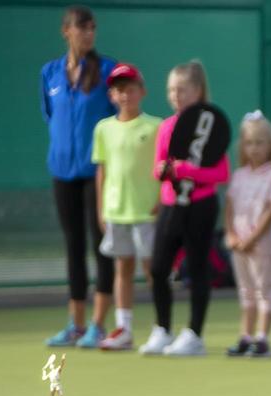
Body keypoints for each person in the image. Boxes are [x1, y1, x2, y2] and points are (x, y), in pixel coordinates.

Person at [140, 60, 230, 357]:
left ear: (198, 90)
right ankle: (162, 329)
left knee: (198, 267)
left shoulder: (211, 125)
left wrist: (187, 170)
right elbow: (159, 168)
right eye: (171, 90)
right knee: (159, 267)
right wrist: (164, 170)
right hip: (170, 205)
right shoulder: (167, 126)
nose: (175, 95)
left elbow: (221, 173)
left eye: (182, 89)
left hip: (201, 205)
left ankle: (194, 334)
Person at [42, 4, 116, 347]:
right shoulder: (50, 74)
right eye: (81, 28)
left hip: (96, 173)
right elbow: (50, 116)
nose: (88, 34)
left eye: (92, 28)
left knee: (101, 245)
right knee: (73, 246)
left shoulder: (107, 71)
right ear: (66, 31)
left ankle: (98, 325)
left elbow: (117, 119)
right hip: (62, 172)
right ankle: (75, 324)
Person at [89, 63, 159, 353]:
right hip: (117, 211)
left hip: (148, 211)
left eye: (130, 89)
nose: (125, 94)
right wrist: (101, 208)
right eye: (119, 90)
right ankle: (124, 329)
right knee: (123, 269)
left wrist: (161, 202)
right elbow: (102, 172)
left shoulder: (157, 126)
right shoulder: (103, 129)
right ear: (111, 95)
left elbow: (162, 169)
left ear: (142, 92)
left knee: (153, 269)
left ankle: (161, 327)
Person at [223, 112, 271, 357]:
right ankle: (245, 335)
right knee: (246, 291)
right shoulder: (239, 175)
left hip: (261, 244)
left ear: (270, 144)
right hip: (238, 244)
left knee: (264, 288)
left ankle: (262, 338)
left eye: (260, 142)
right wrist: (231, 234)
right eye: (249, 143)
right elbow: (229, 207)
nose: (254, 148)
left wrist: (252, 237)